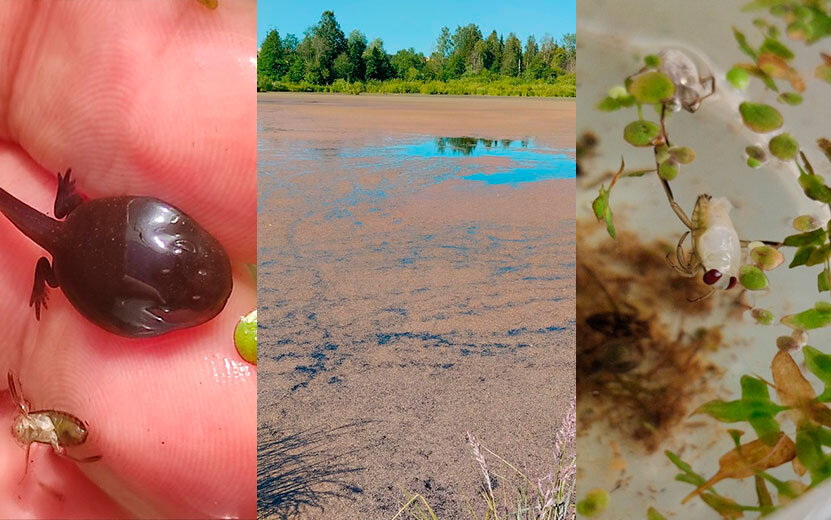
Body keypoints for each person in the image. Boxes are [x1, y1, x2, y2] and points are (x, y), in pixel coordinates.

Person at [0, 2, 256, 517]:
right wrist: (43, 279)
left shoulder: (68, 229)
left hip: (72, 232)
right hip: (72, 247)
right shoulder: (58, 263)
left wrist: (66, 199)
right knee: (48, 252)